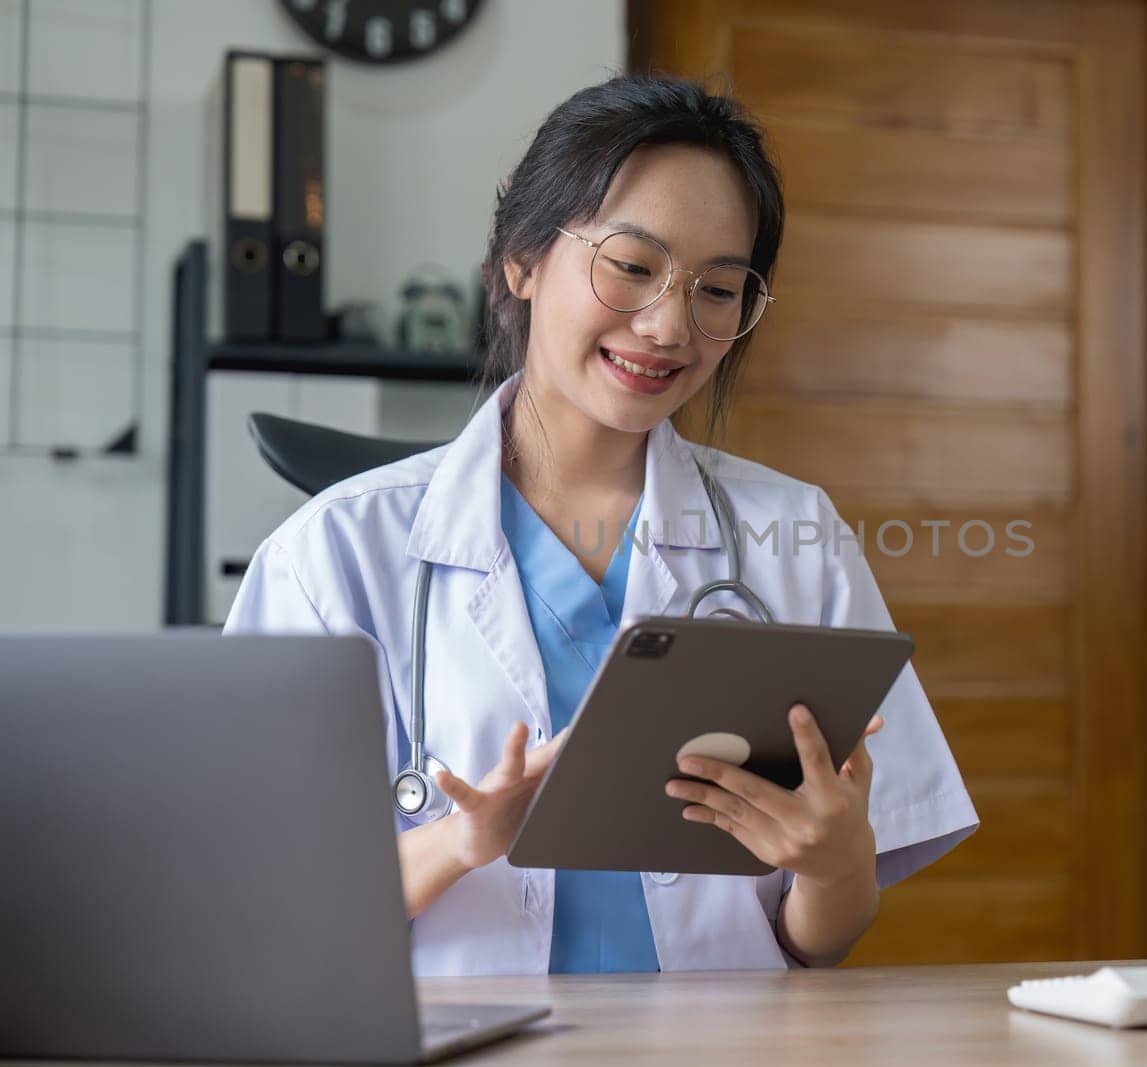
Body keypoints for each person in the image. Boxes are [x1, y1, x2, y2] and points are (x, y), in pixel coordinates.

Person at [224, 75, 977, 977]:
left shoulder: (795, 535)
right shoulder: (331, 555)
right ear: (521, 260)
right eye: (631, 266)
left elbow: (821, 936)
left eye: (719, 289)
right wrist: (462, 842)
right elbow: (266, 908)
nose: (669, 325)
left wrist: (834, 862)